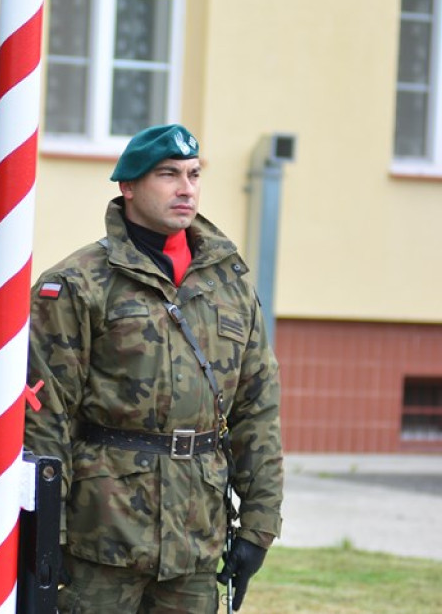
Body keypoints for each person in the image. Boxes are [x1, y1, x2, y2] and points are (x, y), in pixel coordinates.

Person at [24, 124, 283, 613]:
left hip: (196, 536)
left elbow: (258, 407)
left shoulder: (228, 283)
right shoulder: (76, 284)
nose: (186, 188)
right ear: (128, 186)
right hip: (101, 537)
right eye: (168, 175)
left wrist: (258, 524)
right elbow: (45, 418)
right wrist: (45, 531)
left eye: (192, 174)